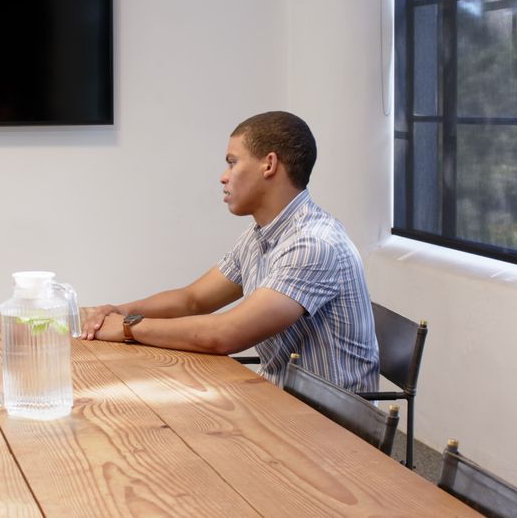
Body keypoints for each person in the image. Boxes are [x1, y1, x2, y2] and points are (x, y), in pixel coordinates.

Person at [80, 111, 378, 392]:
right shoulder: (259, 235)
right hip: (280, 399)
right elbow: (193, 300)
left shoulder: (313, 244)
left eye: (232, 162)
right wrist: (115, 311)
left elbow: (226, 334)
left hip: (331, 427)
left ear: (269, 164)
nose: (224, 176)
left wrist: (128, 328)